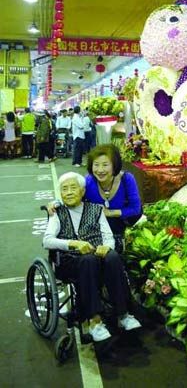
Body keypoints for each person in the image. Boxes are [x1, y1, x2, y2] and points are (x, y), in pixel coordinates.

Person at [43, 172, 135, 342]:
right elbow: (47, 240)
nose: (69, 192)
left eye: (73, 188)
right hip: (70, 261)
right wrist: (72, 243)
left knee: (112, 256)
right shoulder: (57, 212)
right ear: (60, 193)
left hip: (95, 257)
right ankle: (94, 321)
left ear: (83, 191)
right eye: (64, 189)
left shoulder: (96, 209)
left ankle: (123, 314)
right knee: (88, 260)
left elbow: (107, 235)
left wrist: (106, 247)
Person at [85, 144, 142, 254]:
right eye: (96, 165)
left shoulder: (127, 179)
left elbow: (136, 209)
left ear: (114, 165)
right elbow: (72, 198)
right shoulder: (88, 181)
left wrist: (110, 213)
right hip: (95, 234)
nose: (100, 170)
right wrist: (55, 204)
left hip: (120, 232)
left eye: (105, 165)